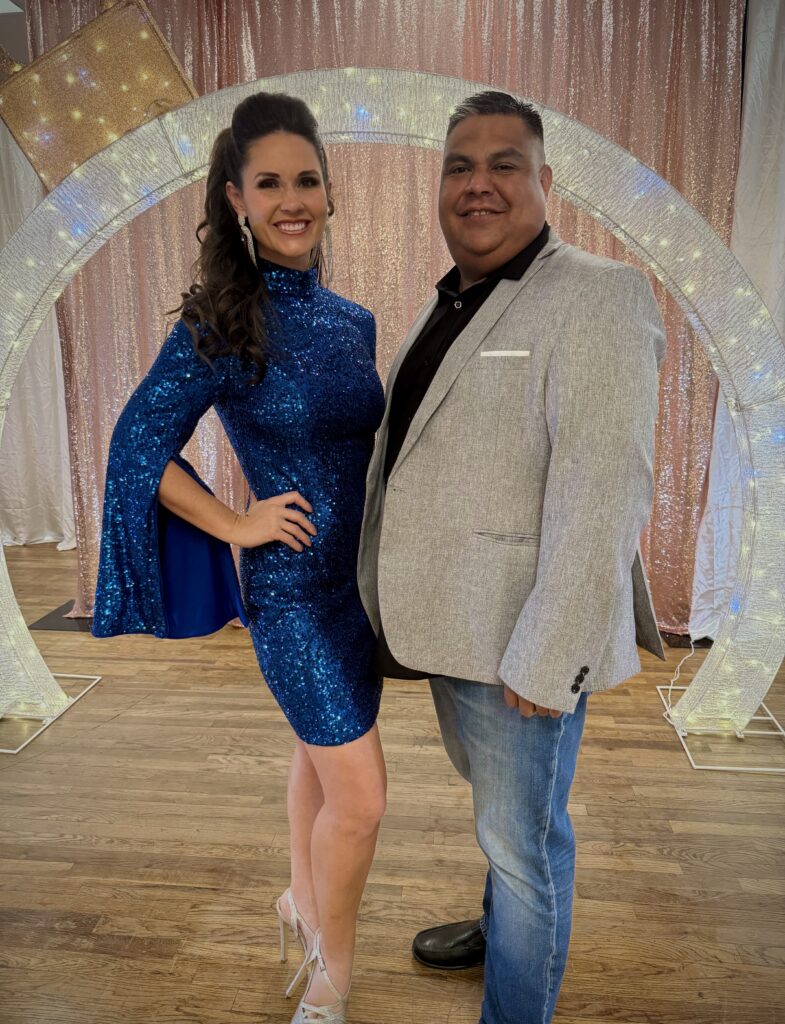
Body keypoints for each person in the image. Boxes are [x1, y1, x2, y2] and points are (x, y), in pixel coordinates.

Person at [357, 90, 666, 1024]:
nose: (477, 184)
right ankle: (500, 930)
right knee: (507, 823)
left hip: (519, 642)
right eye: (459, 166)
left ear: (545, 182)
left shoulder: (599, 295)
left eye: (503, 165)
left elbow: (604, 490)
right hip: (456, 621)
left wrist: (550, 653)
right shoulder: (448, 297)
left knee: (524, 846)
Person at [92, 91, 387, 1024]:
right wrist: (233, 522)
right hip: (293, 593)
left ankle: (300, 899)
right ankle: (332, 977)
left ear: (330, 193)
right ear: (236, 200)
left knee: (318, 753)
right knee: (362, 799)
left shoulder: (354, 321)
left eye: (307, 180)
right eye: (269, 184)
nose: (291, 200)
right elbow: (135, 449)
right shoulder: (220, 324)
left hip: (358, 587)